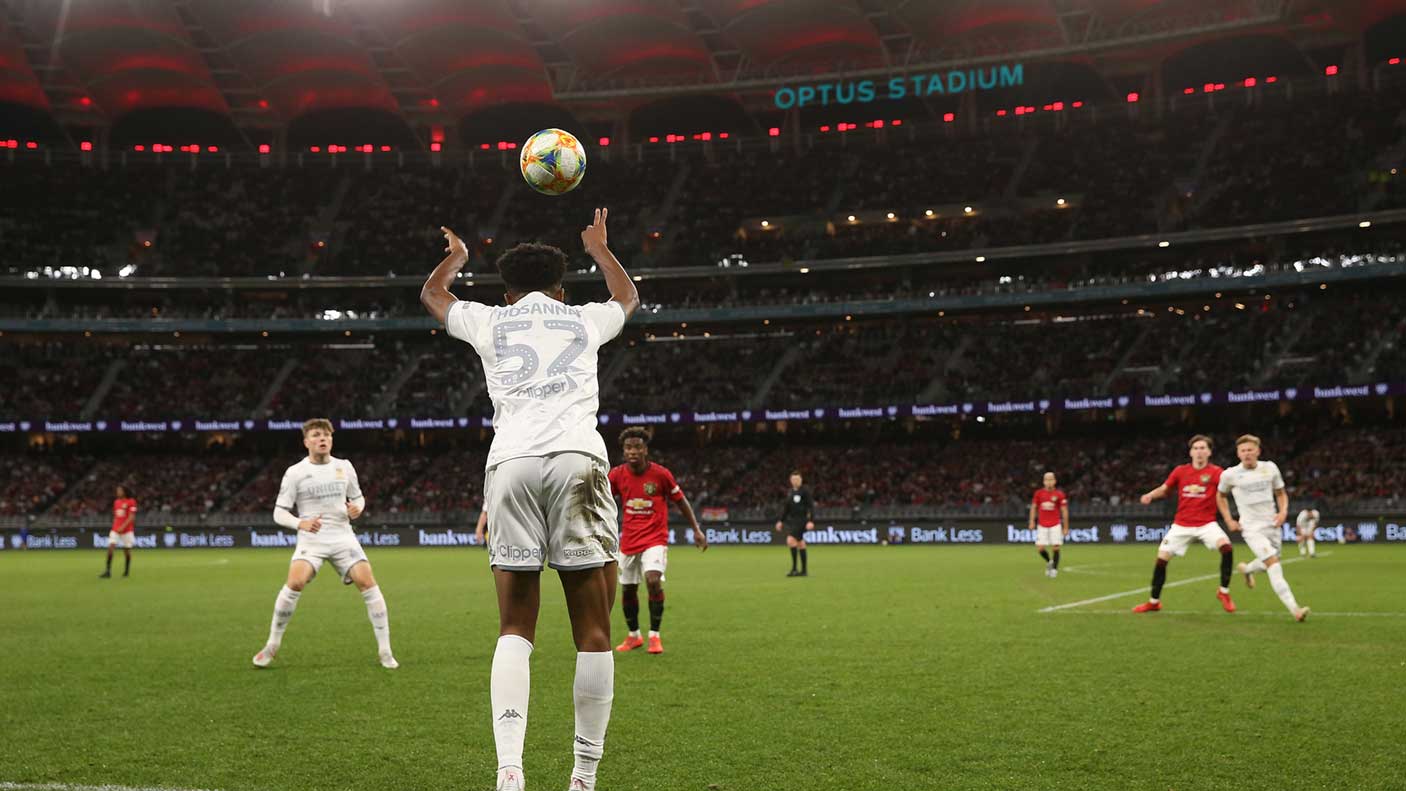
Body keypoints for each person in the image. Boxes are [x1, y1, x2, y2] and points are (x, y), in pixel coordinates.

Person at [422, 208, 638, 791]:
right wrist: (599, 249)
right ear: (561, 288)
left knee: (515, 627)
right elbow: (627, 297)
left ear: (507, 291)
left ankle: (509, 772)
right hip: (578, 459)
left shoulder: (490, 321)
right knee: (593, 629)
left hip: (511, 463)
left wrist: (457, 258)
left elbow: (433, 294)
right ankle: (583, 777)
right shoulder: (582, 318)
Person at [251, 418, 397, 670]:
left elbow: (359, 498)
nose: (323, 439)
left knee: (367, 582)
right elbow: (279, 512)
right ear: (306, 441)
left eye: (327, 435)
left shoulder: (344, 467)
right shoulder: (295, 472)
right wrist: (301, 523)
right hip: (312, 539)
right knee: (295, 581)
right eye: (317, 435)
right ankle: (272, 645)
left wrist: (357, 508)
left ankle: (385, 651)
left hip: (342, 535)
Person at [608, 427, 707, 655]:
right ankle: (634, 636)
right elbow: (604, 498)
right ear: (624, 451)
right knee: (628, 590)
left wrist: (696, 529)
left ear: (645, 450)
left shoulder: (661, 475)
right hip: (629, 540)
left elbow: (681, 502)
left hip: (655, 538)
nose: (632, 451)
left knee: (653, 581)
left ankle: (654, 636)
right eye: (628, 448)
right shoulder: (616, 475)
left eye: (637, 447)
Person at [1132, 435, 1236, 614]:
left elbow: (1223, 495)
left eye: (1203, 448)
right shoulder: (1180, 471)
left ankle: (1223, 592)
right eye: (1196, 448)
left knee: (1226, 548)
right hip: (1181, 524)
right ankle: (1154, 602)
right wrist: (1150, 495)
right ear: (1190, 452)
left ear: (1209, 452)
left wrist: (1229, 519)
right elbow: (1165, 489)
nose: (1199, 451)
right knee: (1161, 559)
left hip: (1206, 523)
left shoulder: (1217, 473)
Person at [1219, 435, 1309, 621]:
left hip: (1272, 523)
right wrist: (1228, 519)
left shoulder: (1270, 468)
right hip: (1251, 528)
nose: (1247, 454)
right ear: (1238, 453)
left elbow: (1281, 493)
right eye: (1243, 451)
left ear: (1258, 451)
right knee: (1274, 564)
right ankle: (1295, 609)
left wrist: (1283, 512)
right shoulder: (1230, 474)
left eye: (1250, 450)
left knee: (1272, 559)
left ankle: (1248, 569)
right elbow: (1220, 496)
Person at [774, 471, 814, 577]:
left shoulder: (805, 491)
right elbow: (786, 508)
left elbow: (811, 506)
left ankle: (794, 569)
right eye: (793, 479)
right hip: (793, 521)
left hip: (802, 520)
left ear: (801, 480)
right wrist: (781, 521)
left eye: (797, 479)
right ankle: (804, 571)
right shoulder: (790, 492)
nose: (795, 481)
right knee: (800, 543)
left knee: (790, 540)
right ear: (790, 481)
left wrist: (811, 521)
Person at [1028, 471, 1069, 578]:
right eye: (1047, 479)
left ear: (1055, 481)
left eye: (1051, 479)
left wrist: (1065, 527)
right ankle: (1049, 561)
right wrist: (1032, 521)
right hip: (1042, 525)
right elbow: (1033, 508)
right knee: (1040, 548)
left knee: (1056, 547)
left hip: (1055, 524)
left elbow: (1064, 511)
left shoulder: (1059, 494)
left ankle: (1054, 569)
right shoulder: (1039, 493)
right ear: (1044, 482)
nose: (1049, 482)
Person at [99, 485, 137, 578]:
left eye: (119, 490)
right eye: (117, 490)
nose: (118, 492)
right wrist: (116, 526)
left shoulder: (131, 501)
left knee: (127, 551)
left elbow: (131, 517)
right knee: (110, 547)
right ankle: (108, 571)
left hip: (127, 530)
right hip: (115, 529)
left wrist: (123, 527)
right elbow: (117, 516)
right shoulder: (116, 502)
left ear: (124, 491)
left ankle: (126, 571)